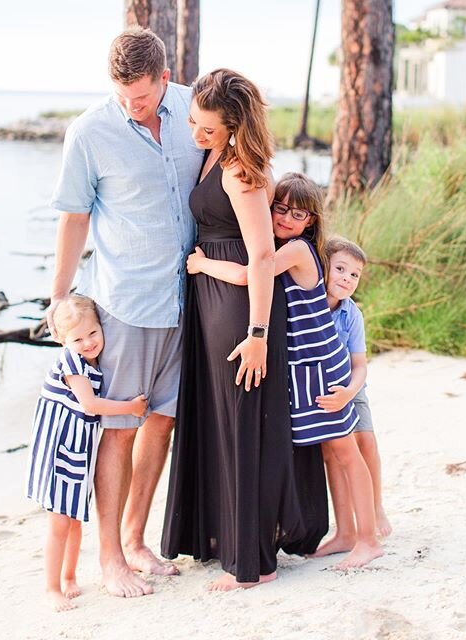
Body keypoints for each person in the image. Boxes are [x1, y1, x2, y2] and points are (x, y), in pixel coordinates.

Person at [47, 27, 204, 597]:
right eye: (122, 95)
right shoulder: (89, 131)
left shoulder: (195, 107)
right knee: (118, 429)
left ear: (165, 77)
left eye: (141, 95)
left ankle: (136, 539)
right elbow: (73, 216)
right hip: (126, 305)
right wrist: (60, 295)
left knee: (161, 420)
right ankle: (109, 558)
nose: (132, 106)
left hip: (188, 303)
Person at [185, 172, 383, 569]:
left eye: (299, 213)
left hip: (321, 365)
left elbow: (248, 274)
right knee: (332, 452)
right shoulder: (289, 246)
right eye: (280, 208)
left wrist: (202, 264)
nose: (287, 218)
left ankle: (369, 539)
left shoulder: (297, 250)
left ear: (311, 221)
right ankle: (345, 533)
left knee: (344, 452)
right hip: (303, 365)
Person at [161, 70, 310, 592]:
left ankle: (255, 564)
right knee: (220, 423)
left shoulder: (242, 171)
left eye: (206, 128)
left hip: (241, 313)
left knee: (243, 426)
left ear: (233, 126)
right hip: (212, 305)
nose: (195, 133)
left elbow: (264, 256)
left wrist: (259, 333)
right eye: (194, 123)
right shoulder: (214, 153)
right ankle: (226, 536)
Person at [26, 295, 148, 611]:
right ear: (63, 340)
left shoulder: (91, 362)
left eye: (92, 333)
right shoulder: (70, 361)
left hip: (78, 451)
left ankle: (68, 578)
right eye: (78, 338)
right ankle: (51, 587)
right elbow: (90, 405)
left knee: (75, 521)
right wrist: (130, 408)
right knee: (59, 522)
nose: (88, 342)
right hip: (58, 449)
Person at [312, 236, 392, 565]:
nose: (347, 278)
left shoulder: (351, 315)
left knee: (366, 443)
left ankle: (374, 511)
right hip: (322, 389)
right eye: (341, 269)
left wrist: (349, 391)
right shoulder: (309, 305)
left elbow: (360, 365)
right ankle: (345, 531)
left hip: (351, 386)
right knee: (333, 455)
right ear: (323, 267)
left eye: (355, 275)